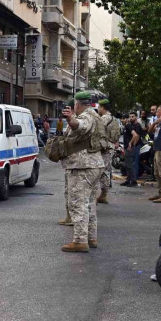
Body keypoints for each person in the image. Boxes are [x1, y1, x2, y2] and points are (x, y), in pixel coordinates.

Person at [59, 91, 105, 253]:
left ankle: (80, 240)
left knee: (78, 203)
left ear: (77, 105)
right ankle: (91, 237)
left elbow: (81, 126)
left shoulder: (86, 116)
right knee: (90, 203)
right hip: (94, 164)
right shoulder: (96, 116)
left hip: (83, 166)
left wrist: (71, 120)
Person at [97, 99, 119, 204]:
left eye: (98, 107)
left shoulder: (104, 118)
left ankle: (103, 195)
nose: (98, 109)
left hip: (104, 148)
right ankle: (103, 194)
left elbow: (96, 131)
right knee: (105, 170)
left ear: (102, 107)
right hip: (110, 146)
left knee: (101, 171)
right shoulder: (113, 118)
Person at [121, 112, 142, 187]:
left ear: (127, 119)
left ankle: (133, 181)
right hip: (126, 148)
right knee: (127, 165)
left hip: (129, 149)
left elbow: (135, 135)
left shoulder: (128, 126)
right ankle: (128, 180)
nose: (122, 120)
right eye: (121, 119)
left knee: (130, 165)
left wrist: (130, 143)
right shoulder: (126, 127)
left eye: (123, 119)